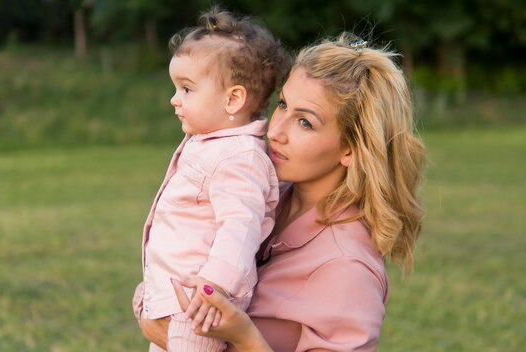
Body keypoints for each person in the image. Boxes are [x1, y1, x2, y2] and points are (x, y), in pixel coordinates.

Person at [141, 32, 427, 351]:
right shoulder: (258, 193)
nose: (275, 132)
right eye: (283, 104)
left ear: (350, 148)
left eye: (305, 122)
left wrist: (243, 337)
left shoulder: (347, 267)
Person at [132, 6, 292, 352]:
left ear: (233, 99)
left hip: (201, 308)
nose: (174, 100)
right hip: (178, 301)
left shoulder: (239, 157)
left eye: (187, 89)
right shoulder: (212, 143)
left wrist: (215, 286)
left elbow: (240, 226)